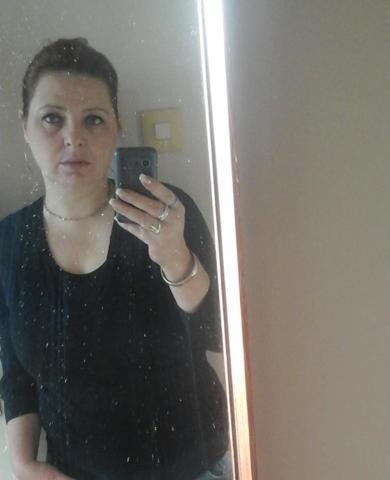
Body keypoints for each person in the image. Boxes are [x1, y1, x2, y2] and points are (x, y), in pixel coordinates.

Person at [0, 38, 232, 480]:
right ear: (24, 126)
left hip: (195, 468)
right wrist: (23, 462)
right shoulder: (8, 243)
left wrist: (177, 260)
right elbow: (17, 372)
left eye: (94, 119)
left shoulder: (167, 214)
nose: (74, 138)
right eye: (52, 118)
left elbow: (222, 337)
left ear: (116, 130)